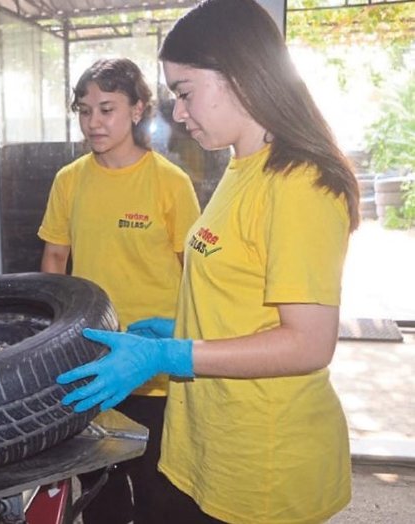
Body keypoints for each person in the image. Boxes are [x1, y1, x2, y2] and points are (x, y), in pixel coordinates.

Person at [57, 1, 360, 523]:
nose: (178, 113)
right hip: (210, 442)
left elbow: (309, 343)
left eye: (185, 92)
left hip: (263, 461)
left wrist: (170, 355)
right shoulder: (243, 167)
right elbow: (245, 297)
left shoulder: (300, 184)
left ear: (239, 76)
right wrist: (182, 330)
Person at [38, 58, 200, 524]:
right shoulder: (69, 180)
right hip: (92, 362)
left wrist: (188, 342)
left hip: (154, 367)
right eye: (84, 110)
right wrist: (54, 343)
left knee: (158, 491)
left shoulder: (170, 182)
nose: (94, 122)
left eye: (107, 109)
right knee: (99, 491)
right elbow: (55, 261)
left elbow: (195, 276)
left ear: (137, 110)